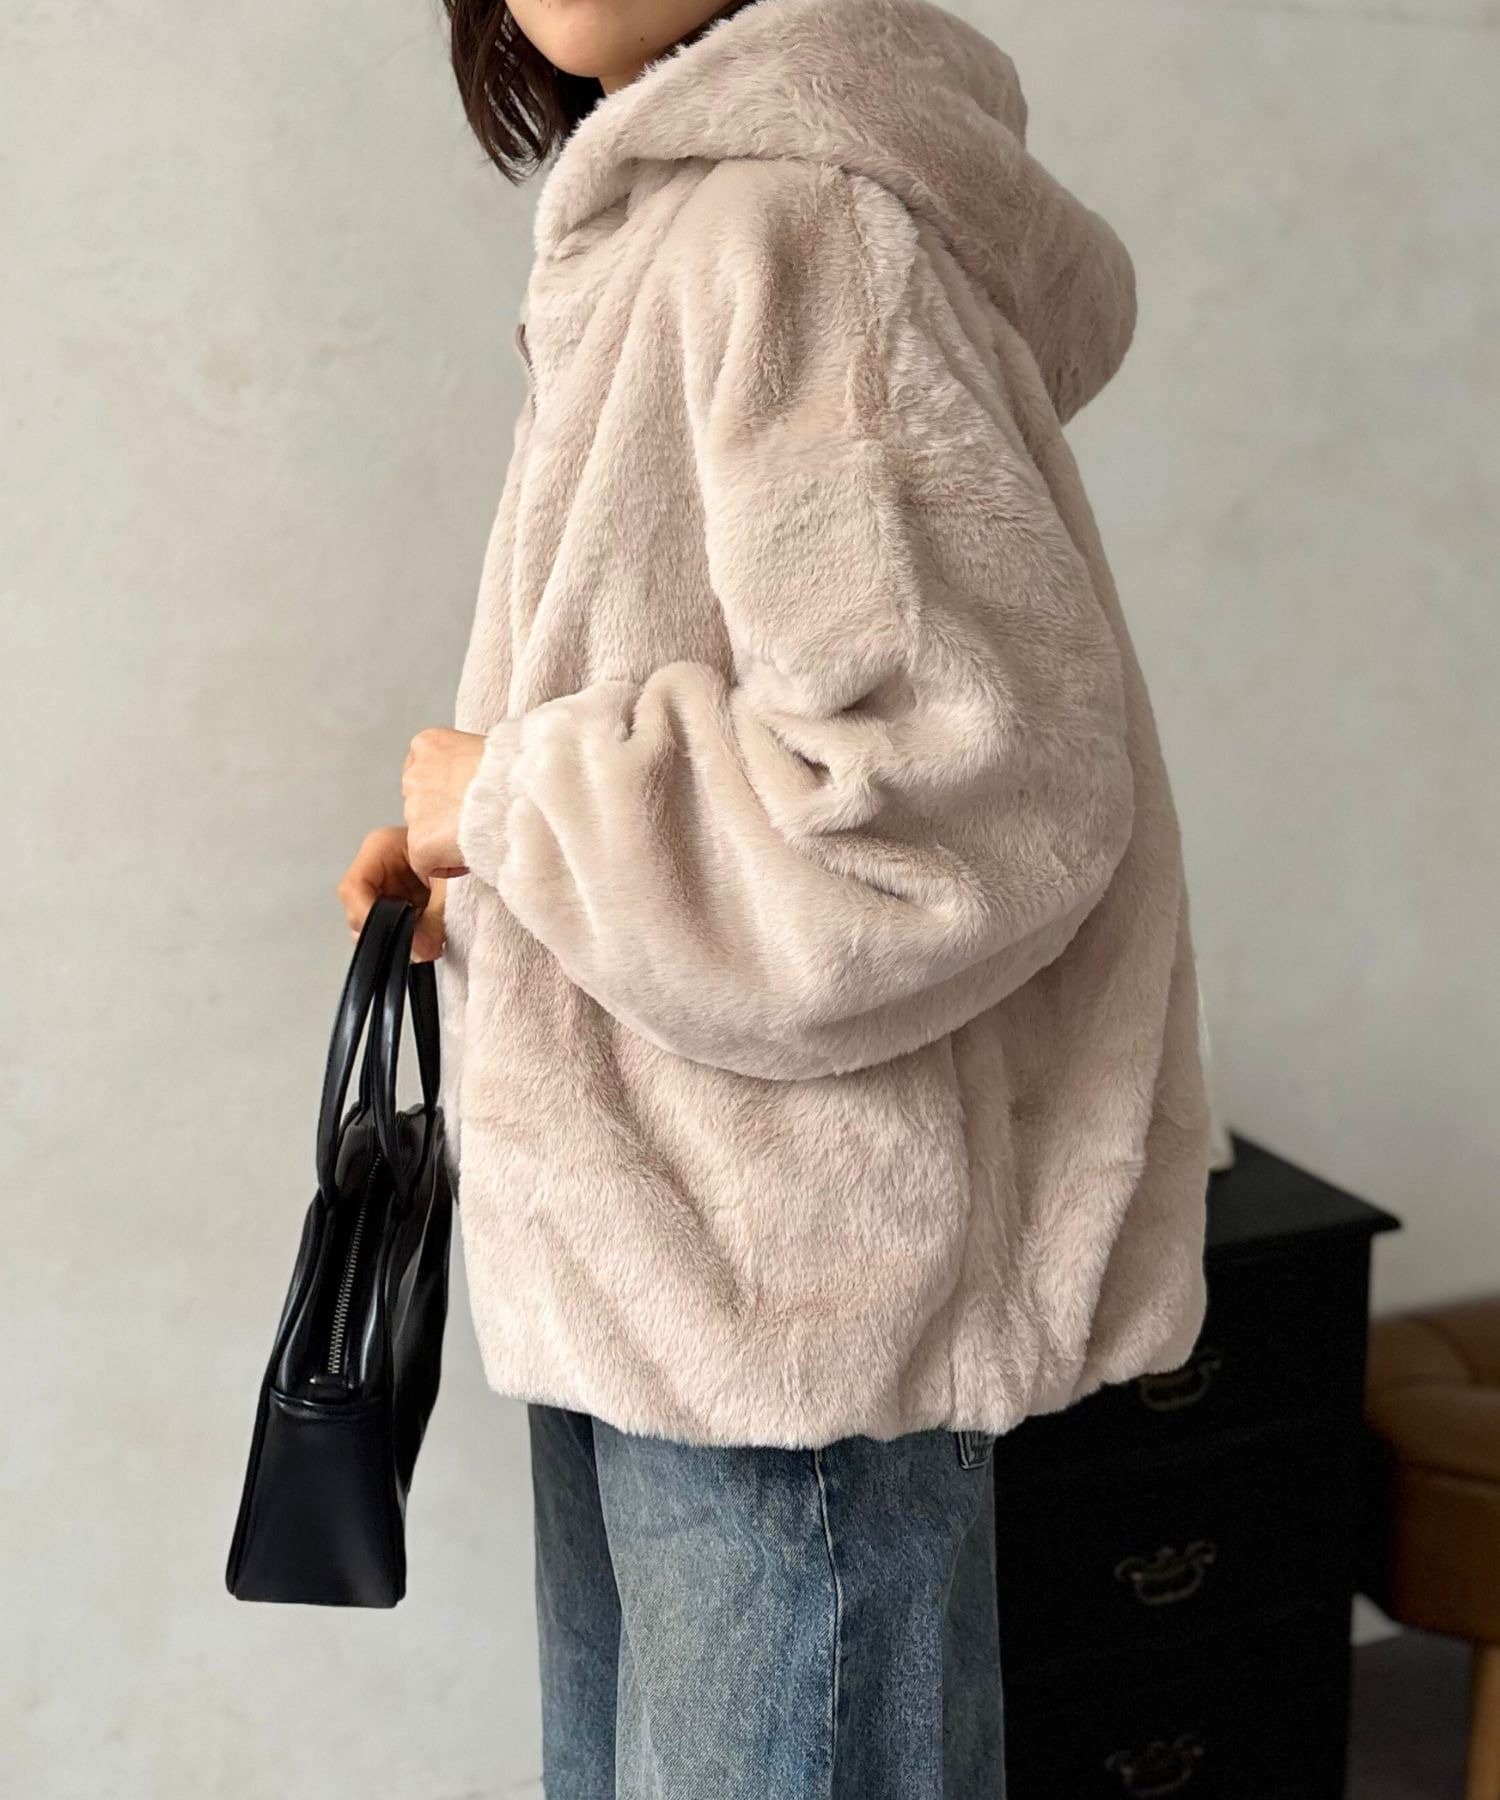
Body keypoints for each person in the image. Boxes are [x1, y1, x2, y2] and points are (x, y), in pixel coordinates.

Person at [337, 0, 1212, 1793]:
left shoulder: (792, 221)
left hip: (781, 1287)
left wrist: (516, 800)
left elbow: (958, 802)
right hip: (664, 1246)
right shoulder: (672, 220)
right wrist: (486, 861)